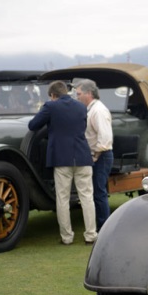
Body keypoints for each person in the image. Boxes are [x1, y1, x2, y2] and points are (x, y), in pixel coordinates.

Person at [28, 80, 97, 246]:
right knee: (87, 197)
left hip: (61, 157)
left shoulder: (51, 106)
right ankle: (90, 234)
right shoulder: (82, 107)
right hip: (82, 156)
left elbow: (33, 125)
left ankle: (67, 237)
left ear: (53, 95)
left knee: (63, 199)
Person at [74, 78, 113, 231]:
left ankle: (105, 227)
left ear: (88, 93)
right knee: (97, 192)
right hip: (97, 155)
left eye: (78, 94)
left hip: (101, 156)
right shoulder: (92, 109)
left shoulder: (98, 110)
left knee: (99, 192)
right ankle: (100, 225)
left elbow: (105, 138)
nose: (77, 97)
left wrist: (94, 156)